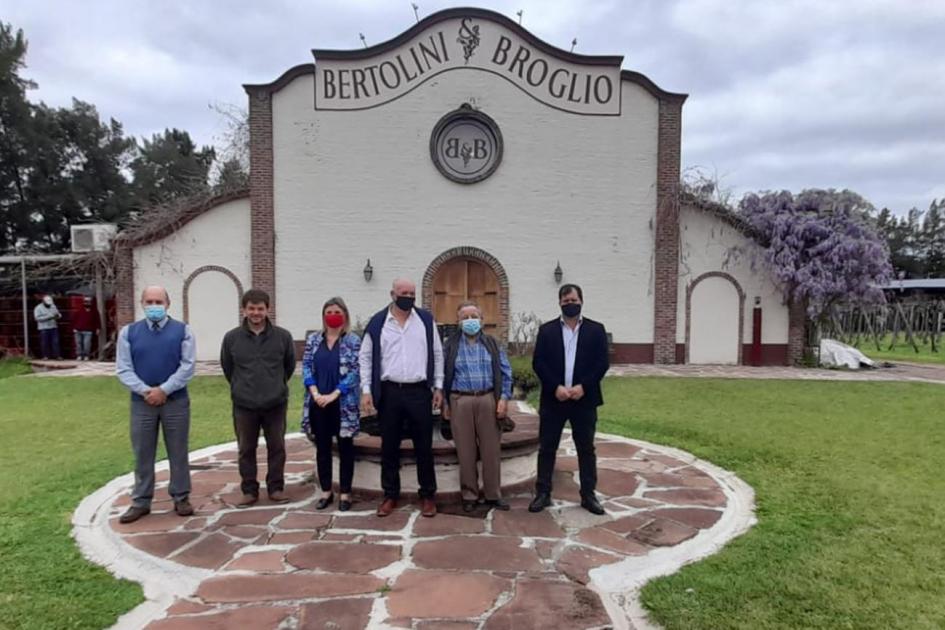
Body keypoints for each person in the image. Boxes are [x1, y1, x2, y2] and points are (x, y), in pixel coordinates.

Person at [359, 278, 444, 518]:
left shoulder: (426, 321)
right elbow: (365, 358)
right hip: (390, 392)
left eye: (411, 293)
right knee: (389, 446)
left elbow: (437, 354)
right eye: (403, 292)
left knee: (424, 447)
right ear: (392, 294)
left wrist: (438, 386)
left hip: (419, 391)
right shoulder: (377, 323)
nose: (408, 296)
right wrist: (366, 390)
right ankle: (390, 495)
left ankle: (428, 495)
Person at [115, 286, 195, 523]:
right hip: (142, 402)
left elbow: (188, 366)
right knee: (142, 452)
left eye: (158, 301)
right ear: (142, 304)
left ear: (168, 304)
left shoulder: (183, 331)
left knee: (178, 451)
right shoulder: (128, 333)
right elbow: (123, 368)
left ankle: (181, 496)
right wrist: (146, 391)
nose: (154, 306)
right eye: (149, 301)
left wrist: (164, 389)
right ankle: (141, 501)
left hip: (175, 401)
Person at [529, 284, 610, 515]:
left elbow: (601, 363)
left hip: (583, 399)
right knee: (547, 448)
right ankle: (543, 493)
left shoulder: (596, 330)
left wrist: (584, 386)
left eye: (573, 300)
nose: (570, 304)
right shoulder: (547, 330)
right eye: (565, 301)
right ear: (559, 303)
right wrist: (555, 387)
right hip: (554, 400)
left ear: (581, 301)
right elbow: (539, 362)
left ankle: (588, 495)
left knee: (586, 449)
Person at [220, 289, 296, 508]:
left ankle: (276, 488)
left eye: (260, 308)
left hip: (275, 403)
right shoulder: (232, 338)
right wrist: (241, 388)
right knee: (246, 448)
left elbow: (288, 366)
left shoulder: (283, 337)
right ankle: (249, 490)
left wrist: (275, 385)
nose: (256, 313)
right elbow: (228, 368)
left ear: (268, 309)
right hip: (244, 404)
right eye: (251, 308)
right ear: (244, 309)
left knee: (277, 447)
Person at [442, 301, 513, 512]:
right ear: (458, 321)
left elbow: (506, 372)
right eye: (465, 317)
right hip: (460, 400)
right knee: (465, 450)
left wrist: (503, 399)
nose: (470, 320)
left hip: (487, 399)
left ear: (481, 320)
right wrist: (445, 403)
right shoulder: (450, 345)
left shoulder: (492, 343)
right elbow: (441, 375)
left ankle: (493, 494)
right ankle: (469, 495)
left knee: (491, 449)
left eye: (474, 316)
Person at [301, 297, 361, 512]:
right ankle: (326, 491)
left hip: (342, 403)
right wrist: (315, 392)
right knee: (323, 448)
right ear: (323, 315)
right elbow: (306, 366)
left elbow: (355, 371)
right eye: (329, 311)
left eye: (337, 311)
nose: (333, 315)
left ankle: (346, 492)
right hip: (318, 402)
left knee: (345, 448)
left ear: (344, 314)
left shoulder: (353, 341)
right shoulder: (314, 340)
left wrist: (335, 393)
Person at [33, 295, 61, 360]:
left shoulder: (53, 306)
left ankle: (57, 356)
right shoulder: (38, 308)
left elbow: (58, 313)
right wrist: (48, 317)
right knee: (44, 342)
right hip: (43, 328)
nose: (49, 305)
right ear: (43, 302)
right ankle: (45, 356)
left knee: (55, 342)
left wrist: (58, 316)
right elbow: (37, 318)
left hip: (53, 327)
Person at [72, 296, 100, 361]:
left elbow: (97, 320)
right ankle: (79, 355)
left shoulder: (94, 311)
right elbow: (74, 319)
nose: (87, 303)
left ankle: (86, 355)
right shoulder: (79, 310)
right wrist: (74, 328)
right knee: (78, 343)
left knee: (86, 344)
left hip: (88, 330)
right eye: (86, 301)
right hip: (78, 330)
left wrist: (98, 328)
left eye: (89, 301)